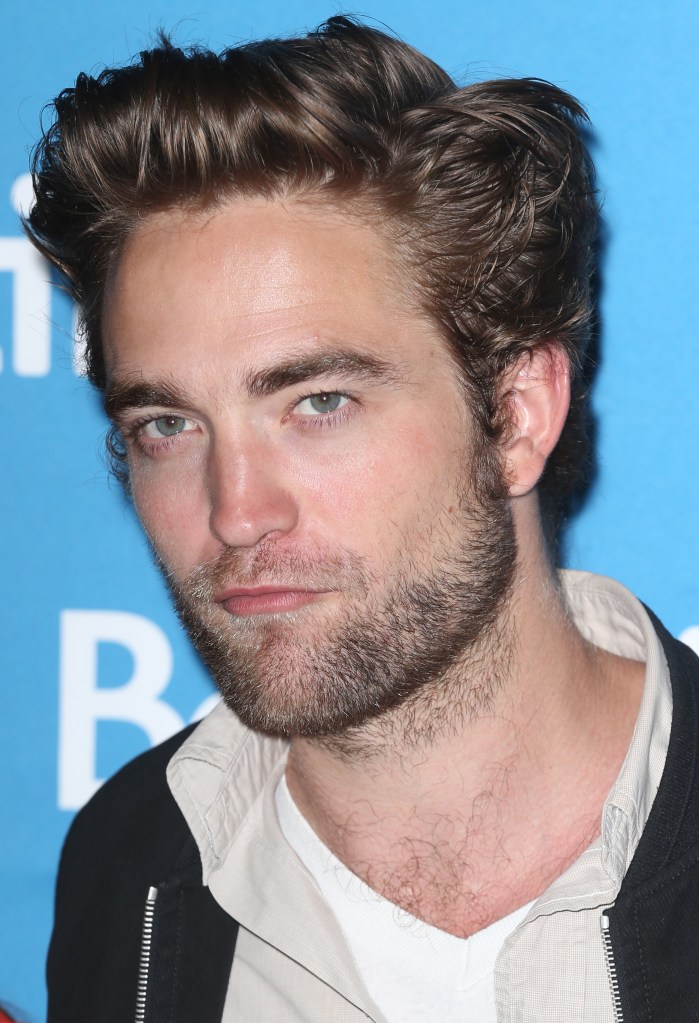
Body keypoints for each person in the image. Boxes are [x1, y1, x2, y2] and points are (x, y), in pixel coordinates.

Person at [27, 15, 699, 1023]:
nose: (235, 512)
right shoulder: (131, 870)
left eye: (320, 403)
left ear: (516, 416)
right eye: (168, 424)